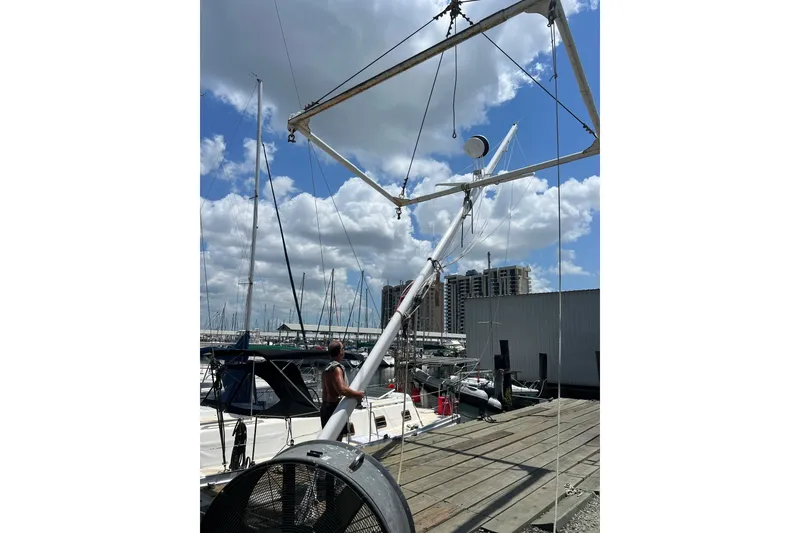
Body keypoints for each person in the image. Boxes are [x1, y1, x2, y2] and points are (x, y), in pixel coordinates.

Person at [320, 340, 365, 441]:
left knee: (329, 438)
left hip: (325, 407)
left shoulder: (327, 368)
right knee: (337, 439)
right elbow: (342, 390)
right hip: (334, 408)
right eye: (343, 348)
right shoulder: (336, 369)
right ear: (340, 352)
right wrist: (358, 394)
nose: (344, 351)